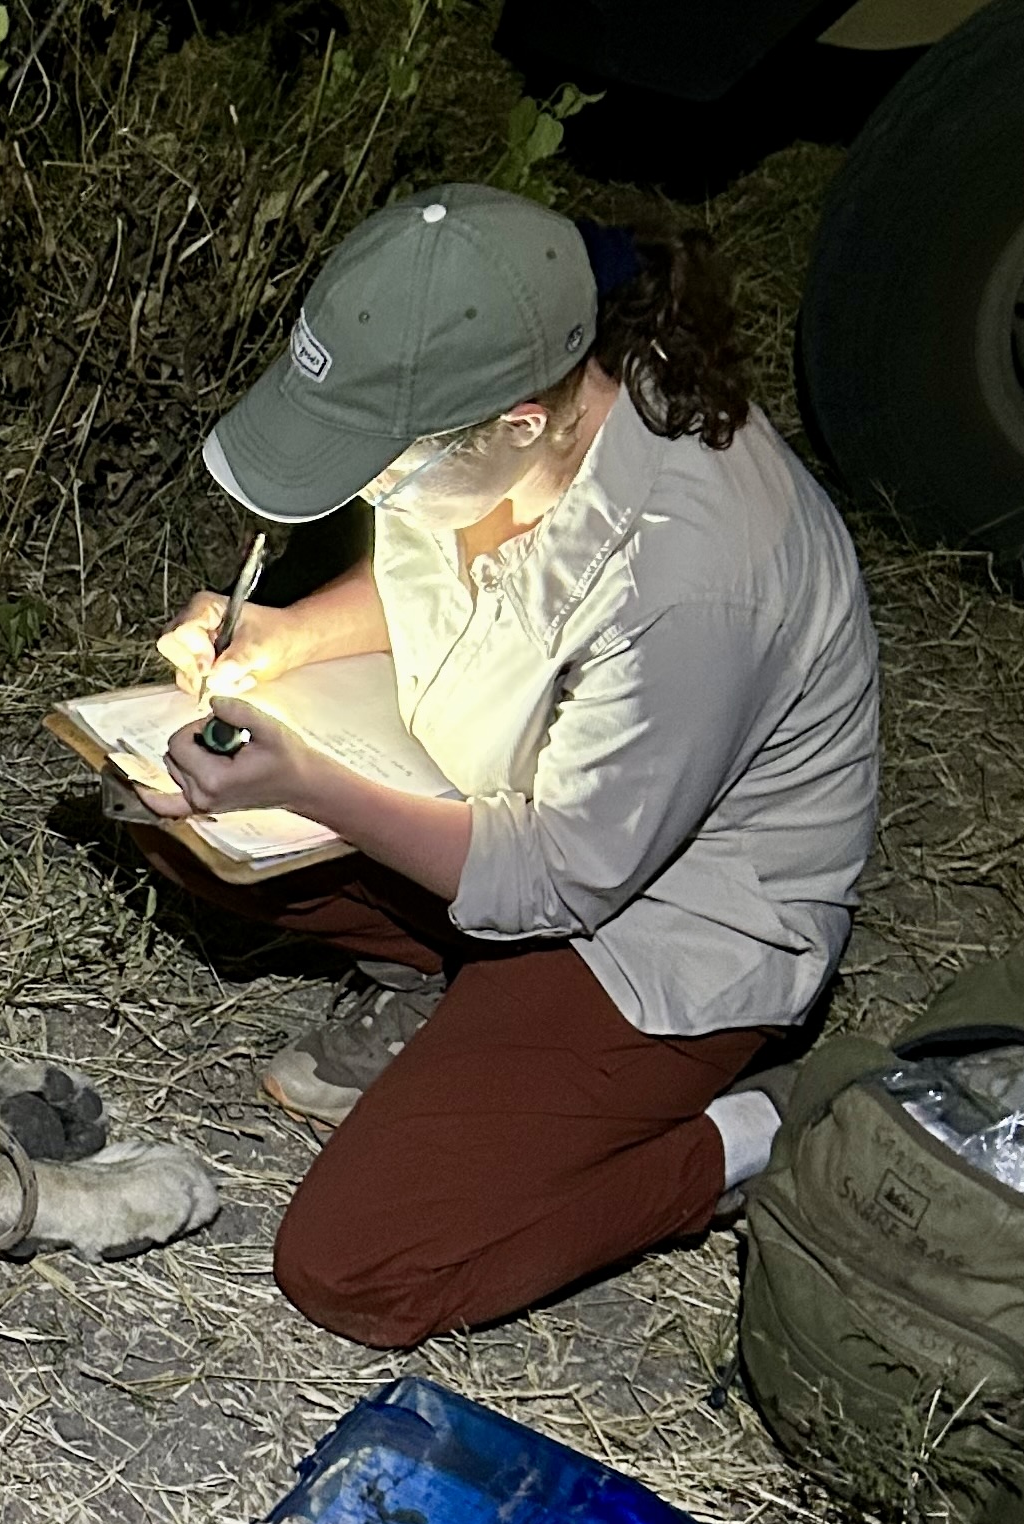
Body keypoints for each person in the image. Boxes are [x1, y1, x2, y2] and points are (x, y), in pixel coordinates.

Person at [130, 183, 879, 1350]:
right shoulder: (494, 427)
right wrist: (283, 637)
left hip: (661, 933)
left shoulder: (692, 575)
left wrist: (311, 786)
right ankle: (457, 1003)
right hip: (495, 788)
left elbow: (565, 880)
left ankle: (739, 1137)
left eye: (380, 470)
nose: (370, 492)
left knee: (358, 1266)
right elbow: (438, 572)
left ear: (521, 425)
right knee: (163, 810)